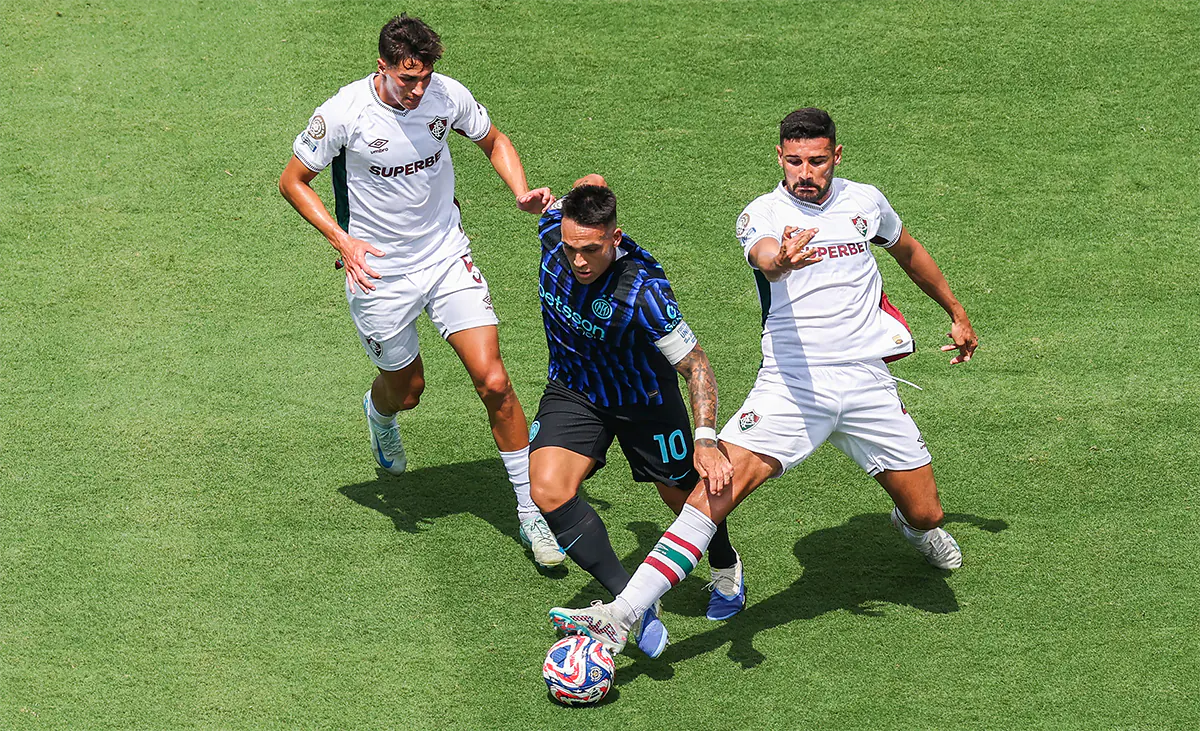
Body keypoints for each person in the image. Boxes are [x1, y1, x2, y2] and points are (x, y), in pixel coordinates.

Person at [549, 107, 980, 653]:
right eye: (795, 160)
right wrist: (784, 258)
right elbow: (766, 257)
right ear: (779, 157)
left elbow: (909, 251)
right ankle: (621, 614)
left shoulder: (866, 201)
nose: (806, 171)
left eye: (817, 161)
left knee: (928, 511)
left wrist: (956, 312)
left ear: (836, 157)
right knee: (714, 490)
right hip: (791, 388)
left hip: (867, 383)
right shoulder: (762, 213)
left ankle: (911, 526)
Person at [278, 14, 562, 566]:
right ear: (381, 66)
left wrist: (521, 190)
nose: (417, 89)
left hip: (445, 255)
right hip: (379, 272)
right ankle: (379, 414)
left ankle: (532, 512)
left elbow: (493, 139)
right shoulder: (344, 113)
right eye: (407, 79)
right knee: (407, 390)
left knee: (495, 381)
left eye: (425, 77)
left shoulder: (446, 97)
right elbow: (292, 181)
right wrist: (344, 242)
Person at [531, 176, 739, 658]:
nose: (578, 260)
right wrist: (571, 190)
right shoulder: (552, 231)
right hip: (575, 388)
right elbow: (587, 186)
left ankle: (726, 566)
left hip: (644, 399)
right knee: (547, 489)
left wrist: (705, 439)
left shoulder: (643, 292)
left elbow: (697, 365)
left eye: (591, 249)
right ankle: (635, 604)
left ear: (615, 239)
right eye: (570, 247)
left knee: (684, 497)